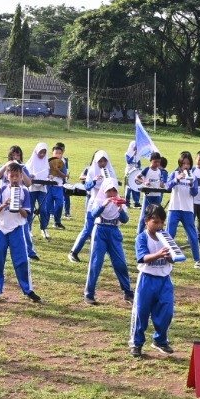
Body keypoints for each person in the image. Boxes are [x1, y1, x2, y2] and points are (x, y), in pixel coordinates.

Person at [0, 161, 41, 303]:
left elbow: (26, 214)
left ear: (21, 177)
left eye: (17, 176)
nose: (15, 178)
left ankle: (28, 289)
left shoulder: (24, 191)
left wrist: (19, 208)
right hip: (1, 229)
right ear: (7, 176)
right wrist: (4, 204)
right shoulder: (2, 189)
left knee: (22, 260)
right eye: (12, 176)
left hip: (17, 229)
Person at [131, 205, 177, 358]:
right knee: (141, 313)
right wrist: (158, 254)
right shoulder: (142, 237)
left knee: (167, 311)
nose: (159, 226)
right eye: (155, 222)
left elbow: (173, 258)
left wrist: (170, 256)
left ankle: (160, 340)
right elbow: (143, 258)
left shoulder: (166, 237)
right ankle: (137, 343)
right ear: (146, 221)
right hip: (147, 280)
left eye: (162, 222)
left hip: (164, 280)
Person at [83, 178, 133, 306]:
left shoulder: (120, 201)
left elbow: (125, 220)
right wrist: (103, 204)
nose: (111, 194)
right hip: (100, 230)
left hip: (114, 231)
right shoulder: (100, 200)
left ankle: (128, 292)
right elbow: (94, 214)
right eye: (109, 191)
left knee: (120, 263)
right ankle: (89, 294)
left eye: (114, 191)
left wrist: (120, 208)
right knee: (96, 263)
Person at [69, 149, 120, 262]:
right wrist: (94, 181)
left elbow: (115, 187)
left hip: (108, 206)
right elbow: (87, 186)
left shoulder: (111, 171)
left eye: (104, 161)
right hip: (94, 204)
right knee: (88, 229)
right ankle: (74, 252)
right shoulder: (92, 171)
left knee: (107, 229)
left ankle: (108, 255)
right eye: (100, 161)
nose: (102, 164)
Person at [165, 151, 200, 268]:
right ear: (180, 164)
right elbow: (167, 187)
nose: (186, 166)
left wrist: (192, 184)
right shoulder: (175, 173)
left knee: (192, 235)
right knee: (170, 234)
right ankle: (167, 257)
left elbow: (195, 193)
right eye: (184, 163)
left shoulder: (194, 177)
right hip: (174, 208)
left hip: (187, 210)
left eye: (188, 164)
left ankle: (197, 260)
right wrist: (176, 179)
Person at [134, 153, 169, 234]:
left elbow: (161, 182)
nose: (157, 164)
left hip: (157, 196)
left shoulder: (160, 171)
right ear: (151, 161)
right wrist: (144, 181)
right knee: (144, 216)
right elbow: (137, 178)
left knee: (157, 215)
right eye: (155, 162)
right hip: (148, 196)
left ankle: (155, 233)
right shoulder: (147, 169)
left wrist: (162, 184)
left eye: (158, 162)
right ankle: (139, 234)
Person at [27, 143, 52, 238]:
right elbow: (26, 173)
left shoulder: (46, 162)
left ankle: (44, 229)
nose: (42, 154)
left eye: (44, 153)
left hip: (42, 188)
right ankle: (28, 229)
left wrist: (49, 177)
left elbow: (48, 173)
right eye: (40, 152)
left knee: (43, 209)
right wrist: (30, 176)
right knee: (30, 209)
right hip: (32, 188)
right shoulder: (30, 162)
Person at [44, 143, 69, 233]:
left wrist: (57, 170)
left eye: (59, 153)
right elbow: (44, 173)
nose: (58, 155)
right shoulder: (47, 161)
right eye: (56, 153)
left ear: (62, 154)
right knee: (47, 206)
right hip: (49, 186)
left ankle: (57, 222)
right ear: (52, 153)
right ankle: (44, 225)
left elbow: (64, 176)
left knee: (59, 204)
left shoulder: (62, 163)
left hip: (58, 187)